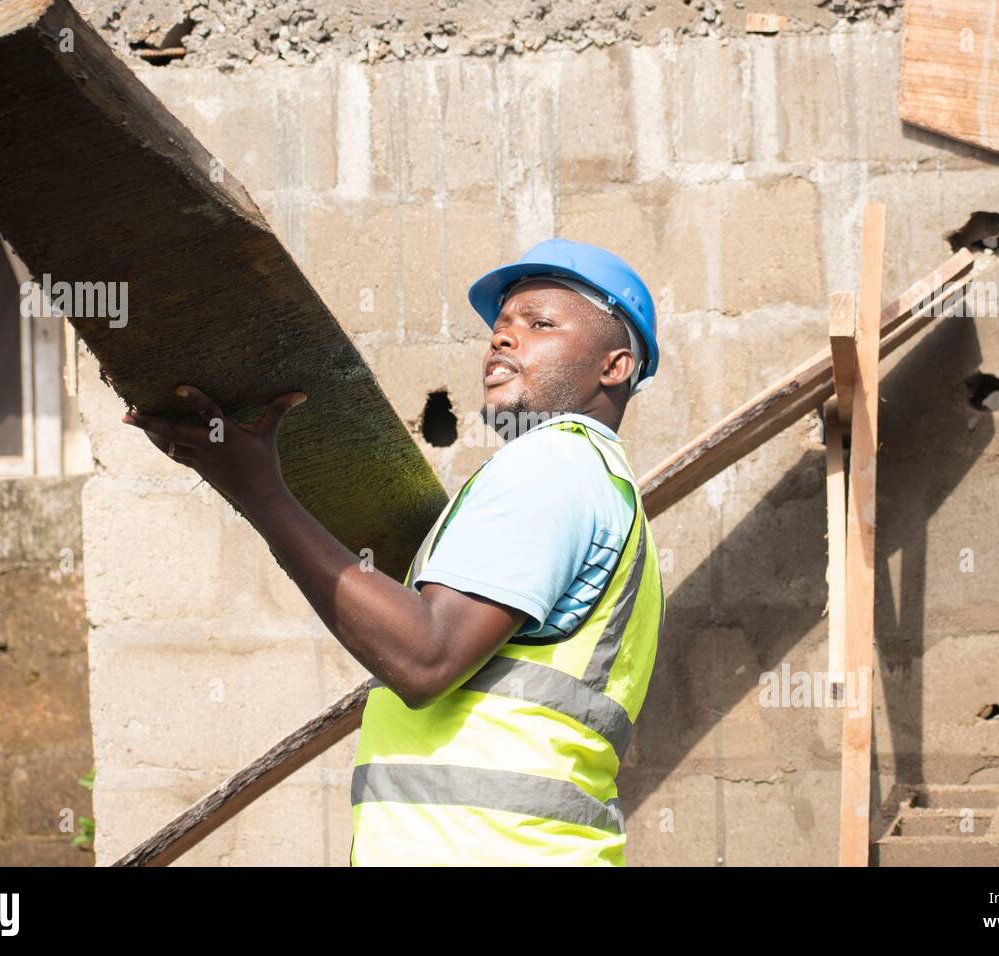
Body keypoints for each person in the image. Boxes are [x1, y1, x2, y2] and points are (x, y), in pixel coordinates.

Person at [124, 237, 666, 865]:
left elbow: (425, 658)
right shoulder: (597, 481)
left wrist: (260, 493)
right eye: (500, 326)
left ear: (615, 367)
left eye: (540, 324)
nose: (503, 339)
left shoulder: (554, 462)